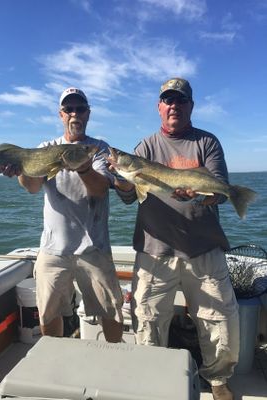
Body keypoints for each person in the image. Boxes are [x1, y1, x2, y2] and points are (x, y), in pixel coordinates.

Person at [113, 78, 239, 400]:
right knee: (148, 318)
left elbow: (219, 191)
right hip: (155, 250)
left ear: (190, 107)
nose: (174, 106)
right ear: (159, 107)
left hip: (203, 248)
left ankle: (219, 380)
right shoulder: (144, 148)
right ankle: (152, 376)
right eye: (168, 100)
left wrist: (206, 195)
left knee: (219, 320)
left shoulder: (207, 143)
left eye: (180, 101)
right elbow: (129, 196)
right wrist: (124, 184)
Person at [0, 87, 123, 342]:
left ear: (88, 114)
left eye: (80, 108)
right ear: (61, 114)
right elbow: (33, 187)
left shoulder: (98, 148)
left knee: (111, 312)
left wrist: (84, 167)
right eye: (69, 109)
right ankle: (53, 359)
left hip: (95, 249)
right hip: (53, 250)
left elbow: (100, 190)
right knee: (48, 314)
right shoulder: (46, 148)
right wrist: (20, 171)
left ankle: (115, 360)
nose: (74, 113)